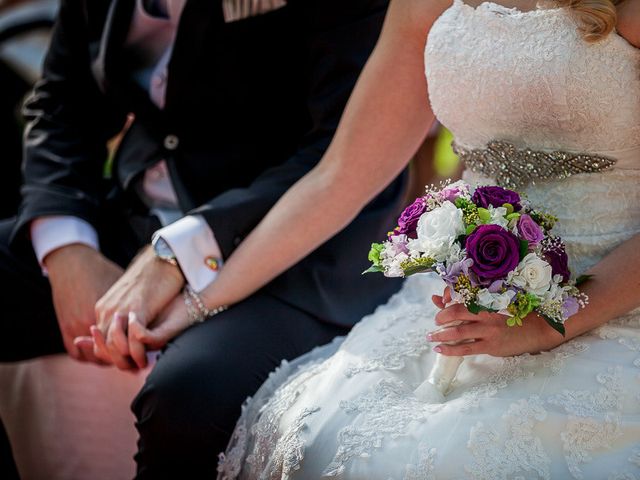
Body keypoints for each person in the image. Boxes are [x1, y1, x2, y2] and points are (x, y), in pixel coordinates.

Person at [90, 0, 640, 477]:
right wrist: (200, 300)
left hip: (615, 300)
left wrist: (551, 321)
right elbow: (340, 178)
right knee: (318, 436)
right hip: (457, 306)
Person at [0, 0, 409, 476]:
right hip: (136, 214)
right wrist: (68, 249)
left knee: (188, 396)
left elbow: (340, 153)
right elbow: (63, 101)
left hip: (297, 245)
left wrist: (175, 256)